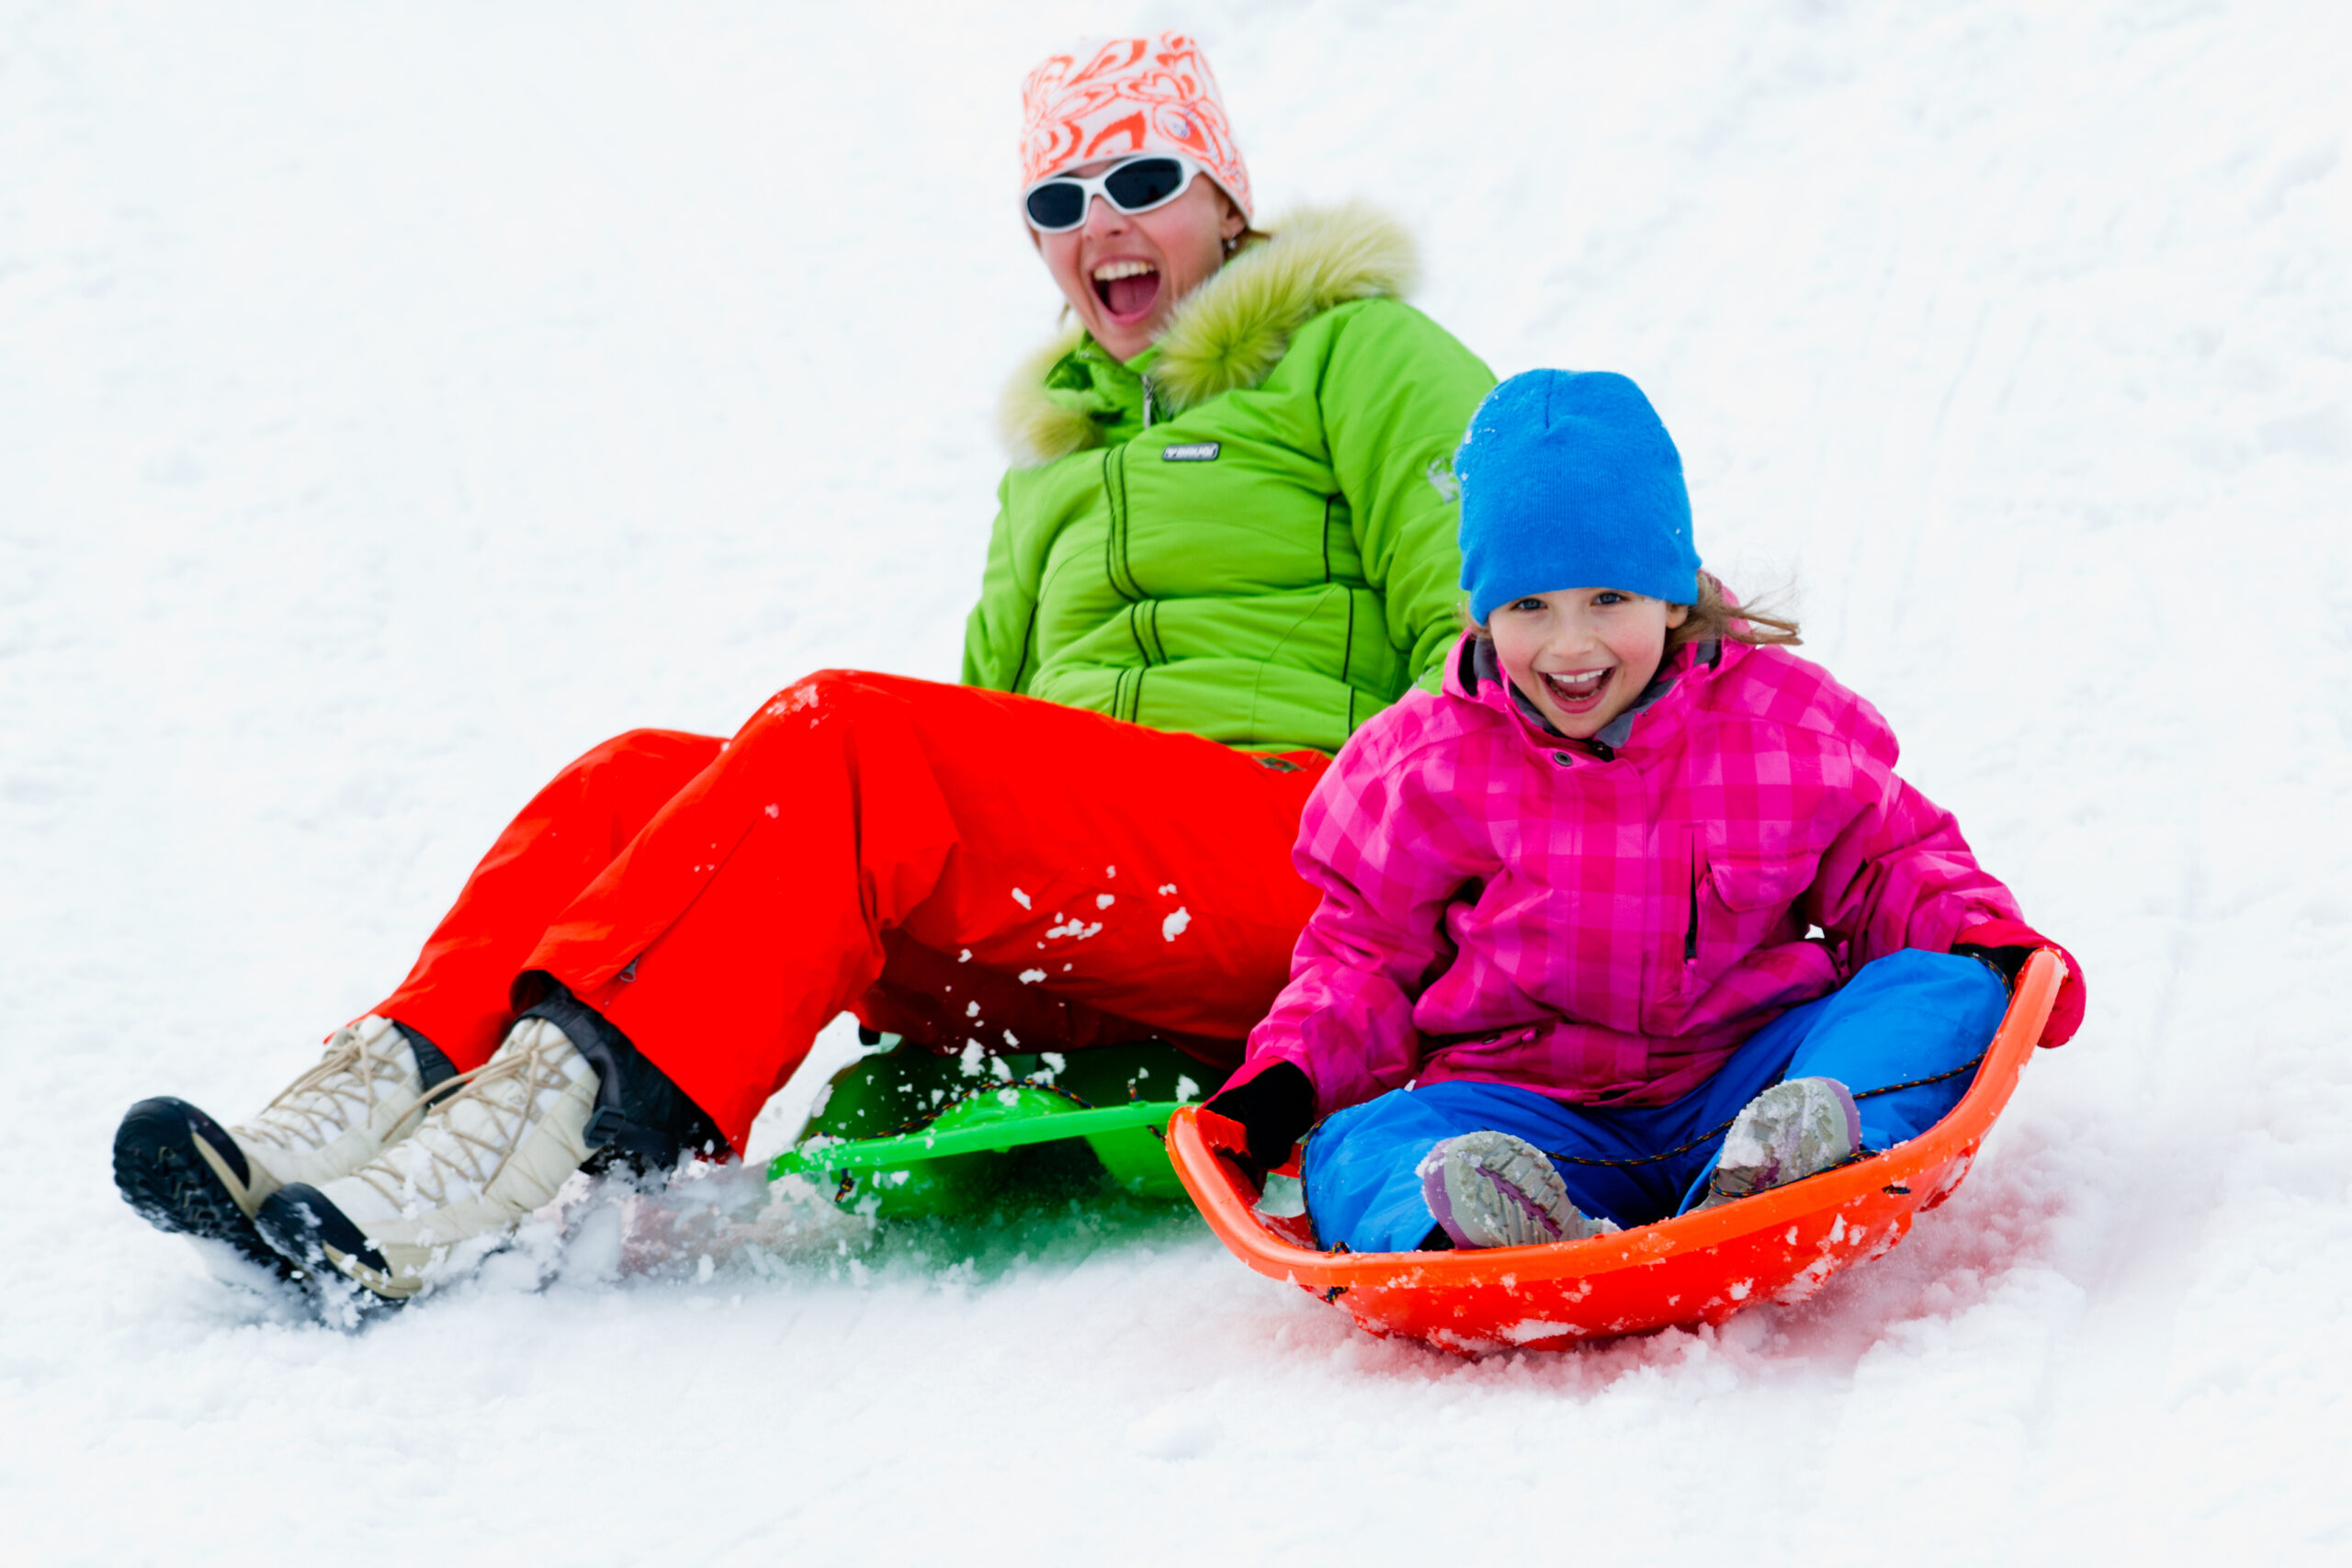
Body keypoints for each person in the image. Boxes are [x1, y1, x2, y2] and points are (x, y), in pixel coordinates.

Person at [110, 33, 1495, 1303]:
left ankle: (497, 1161)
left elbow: (1489, 624)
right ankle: (373, 1098)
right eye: (1060, 204)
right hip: (1096, 926)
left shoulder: (1358, 353)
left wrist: (1458, 915)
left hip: (1296, 862)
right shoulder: (1054, 465)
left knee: (851, 736)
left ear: (1229, 199)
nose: (1104, 225)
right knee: (639, 785)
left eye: (1144, 176)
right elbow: (992, 745)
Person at [1198, 369, 2086, 1253]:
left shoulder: (1780, 729)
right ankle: (1477, 1223)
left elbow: (1891, 866)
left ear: (1672, 592)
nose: (1571, 644)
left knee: (1947, 990)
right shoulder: (1421, 769)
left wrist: (1984, 943)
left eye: (1609, 599)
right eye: (1529, 606)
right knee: (1359, 1148)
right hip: (1527, 1112)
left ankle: (1787, 1163)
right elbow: (1363, 962)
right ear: (1481, 613)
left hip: (1754, 1079)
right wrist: (1282, 1083)